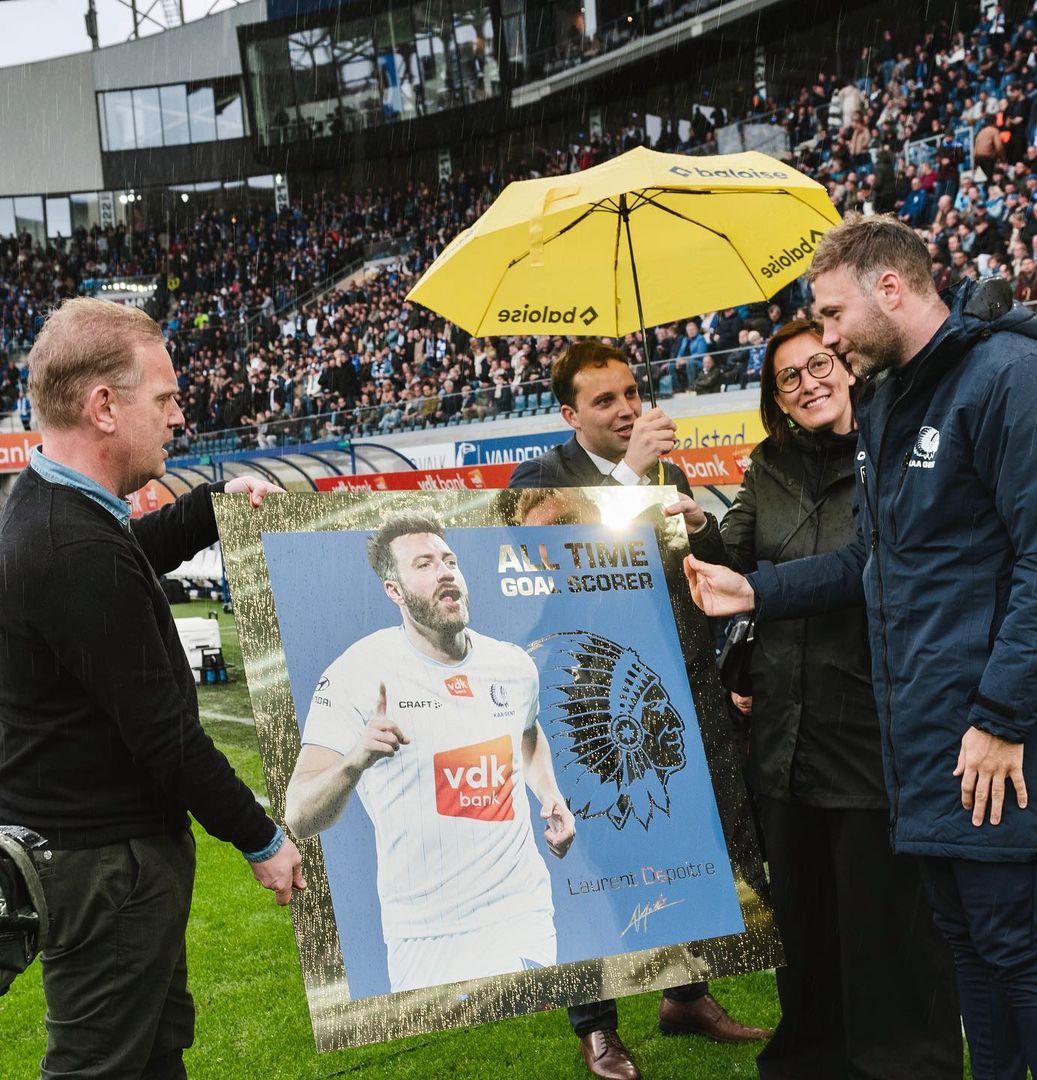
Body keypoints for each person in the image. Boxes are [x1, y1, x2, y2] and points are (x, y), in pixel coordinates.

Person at [684, 215, 1037, 1080]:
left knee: (1014, 941)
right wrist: (755, 591)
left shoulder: (1017, 377)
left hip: (990, 734)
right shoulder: (893, 399)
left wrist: (1002, 717)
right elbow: (873, 561)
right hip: (922, 737)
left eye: (832, 314)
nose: (825, 337)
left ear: (890, 289)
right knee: (968, 943)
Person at [0, 297, 304, 1080]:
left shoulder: (54, 510)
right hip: (107, 864)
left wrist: (212, 507)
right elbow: (166, 736)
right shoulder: (72, 546)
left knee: (154, 1056)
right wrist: (262, 840)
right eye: (165, 398)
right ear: (104, 406)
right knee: (101, 1067)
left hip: (101, 852)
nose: (178, 415)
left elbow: (125, 558)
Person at [668, 318, 961, 1077]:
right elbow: (730, 561)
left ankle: (902, 1064)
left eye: (819, 364)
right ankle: (810, 1060)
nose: (807, 383)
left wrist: (758, 590)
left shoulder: (896, 451)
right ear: (776, 399)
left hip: (870, 730)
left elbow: (869, 568)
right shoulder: (768, 466)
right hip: (784, 738)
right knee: (802, 928)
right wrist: (698, 527)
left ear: (850, 367)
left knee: (884, 926)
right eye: (788, 377)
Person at [510, 341, 769, 1080]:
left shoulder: (668, 474)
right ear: (570, 415)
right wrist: (625, 480)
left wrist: (699, 525)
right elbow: (552, 573)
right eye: (605, 400)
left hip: (670, 696)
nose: (625, 408)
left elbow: (710, 579)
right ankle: (595, 1027)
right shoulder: (538, 480)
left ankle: (685, 996)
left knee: (681, 847)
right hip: (583, 706)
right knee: (592, 864)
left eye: (630, 392)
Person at [285, 511, 575, 993]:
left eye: (449, 561)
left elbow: (527, 734)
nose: (444, 572)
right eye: (423, 564)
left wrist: (550, 793)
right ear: (394, 591)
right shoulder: (357, 673)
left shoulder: (512, 665)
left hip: (520, 912)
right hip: (424, 933)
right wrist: (355, 761)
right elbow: (299, 815)